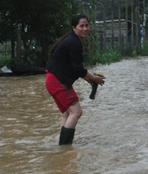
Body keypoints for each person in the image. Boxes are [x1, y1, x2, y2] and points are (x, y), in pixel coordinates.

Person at [45, 14, 105, 145]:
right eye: (81, 26)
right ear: (74, 28)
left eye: (87, 25)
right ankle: (65, 147)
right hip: (57, 81)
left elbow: (75, 69)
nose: (85, 28)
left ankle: (62, 149)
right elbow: (78, 69)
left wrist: (90, 79)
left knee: (67, 114)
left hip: (52, 79)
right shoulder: (74, 42)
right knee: (76, 112)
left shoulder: (71, 40)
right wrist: (94, 78)